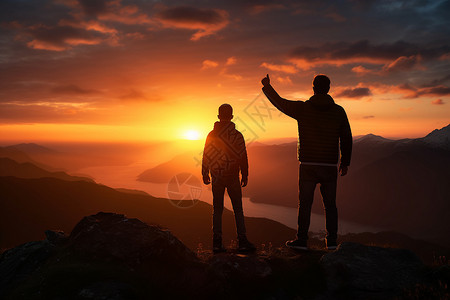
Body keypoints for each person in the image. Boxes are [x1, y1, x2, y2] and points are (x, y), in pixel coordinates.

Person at [261, 74, 352, 250]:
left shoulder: (303, 109)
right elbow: (346, 138)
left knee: (305, 203)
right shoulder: (339, 111)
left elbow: (280, 103)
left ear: (313, 88)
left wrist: (267, 86)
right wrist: (345, 162)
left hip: (308, 164)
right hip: (329, 165)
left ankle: (302, 240)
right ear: (328, 89)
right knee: (330, 205)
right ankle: (332, 242)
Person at [202, 104, 256, 253]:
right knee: (238, 209)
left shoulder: (212, 135)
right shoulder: (237, 135)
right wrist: (245, 174)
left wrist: (204, 172)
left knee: (217, 209)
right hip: (232, 176)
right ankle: (242, 240)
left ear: (218, 116)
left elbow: (206, 154)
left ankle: (217, 242)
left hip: (217, 176)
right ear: (232, 116)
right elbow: (242, 156)